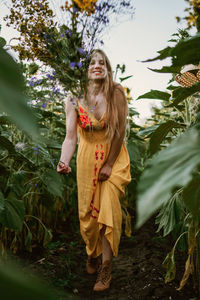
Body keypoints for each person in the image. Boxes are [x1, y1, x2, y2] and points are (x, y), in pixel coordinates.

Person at [57, 49, 131, 292]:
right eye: (92, 62)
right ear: (84, 69)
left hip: (113, 155)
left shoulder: (116, 93)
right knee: (88, 218)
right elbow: (70, 138)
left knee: (108, 206)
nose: (97, 65)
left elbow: (120, 131)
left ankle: (106, 268)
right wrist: (64, 160)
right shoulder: (72, 99)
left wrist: (109, 163)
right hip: (87, 158)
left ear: (107, 68)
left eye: (102, 62)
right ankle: (92, 252)